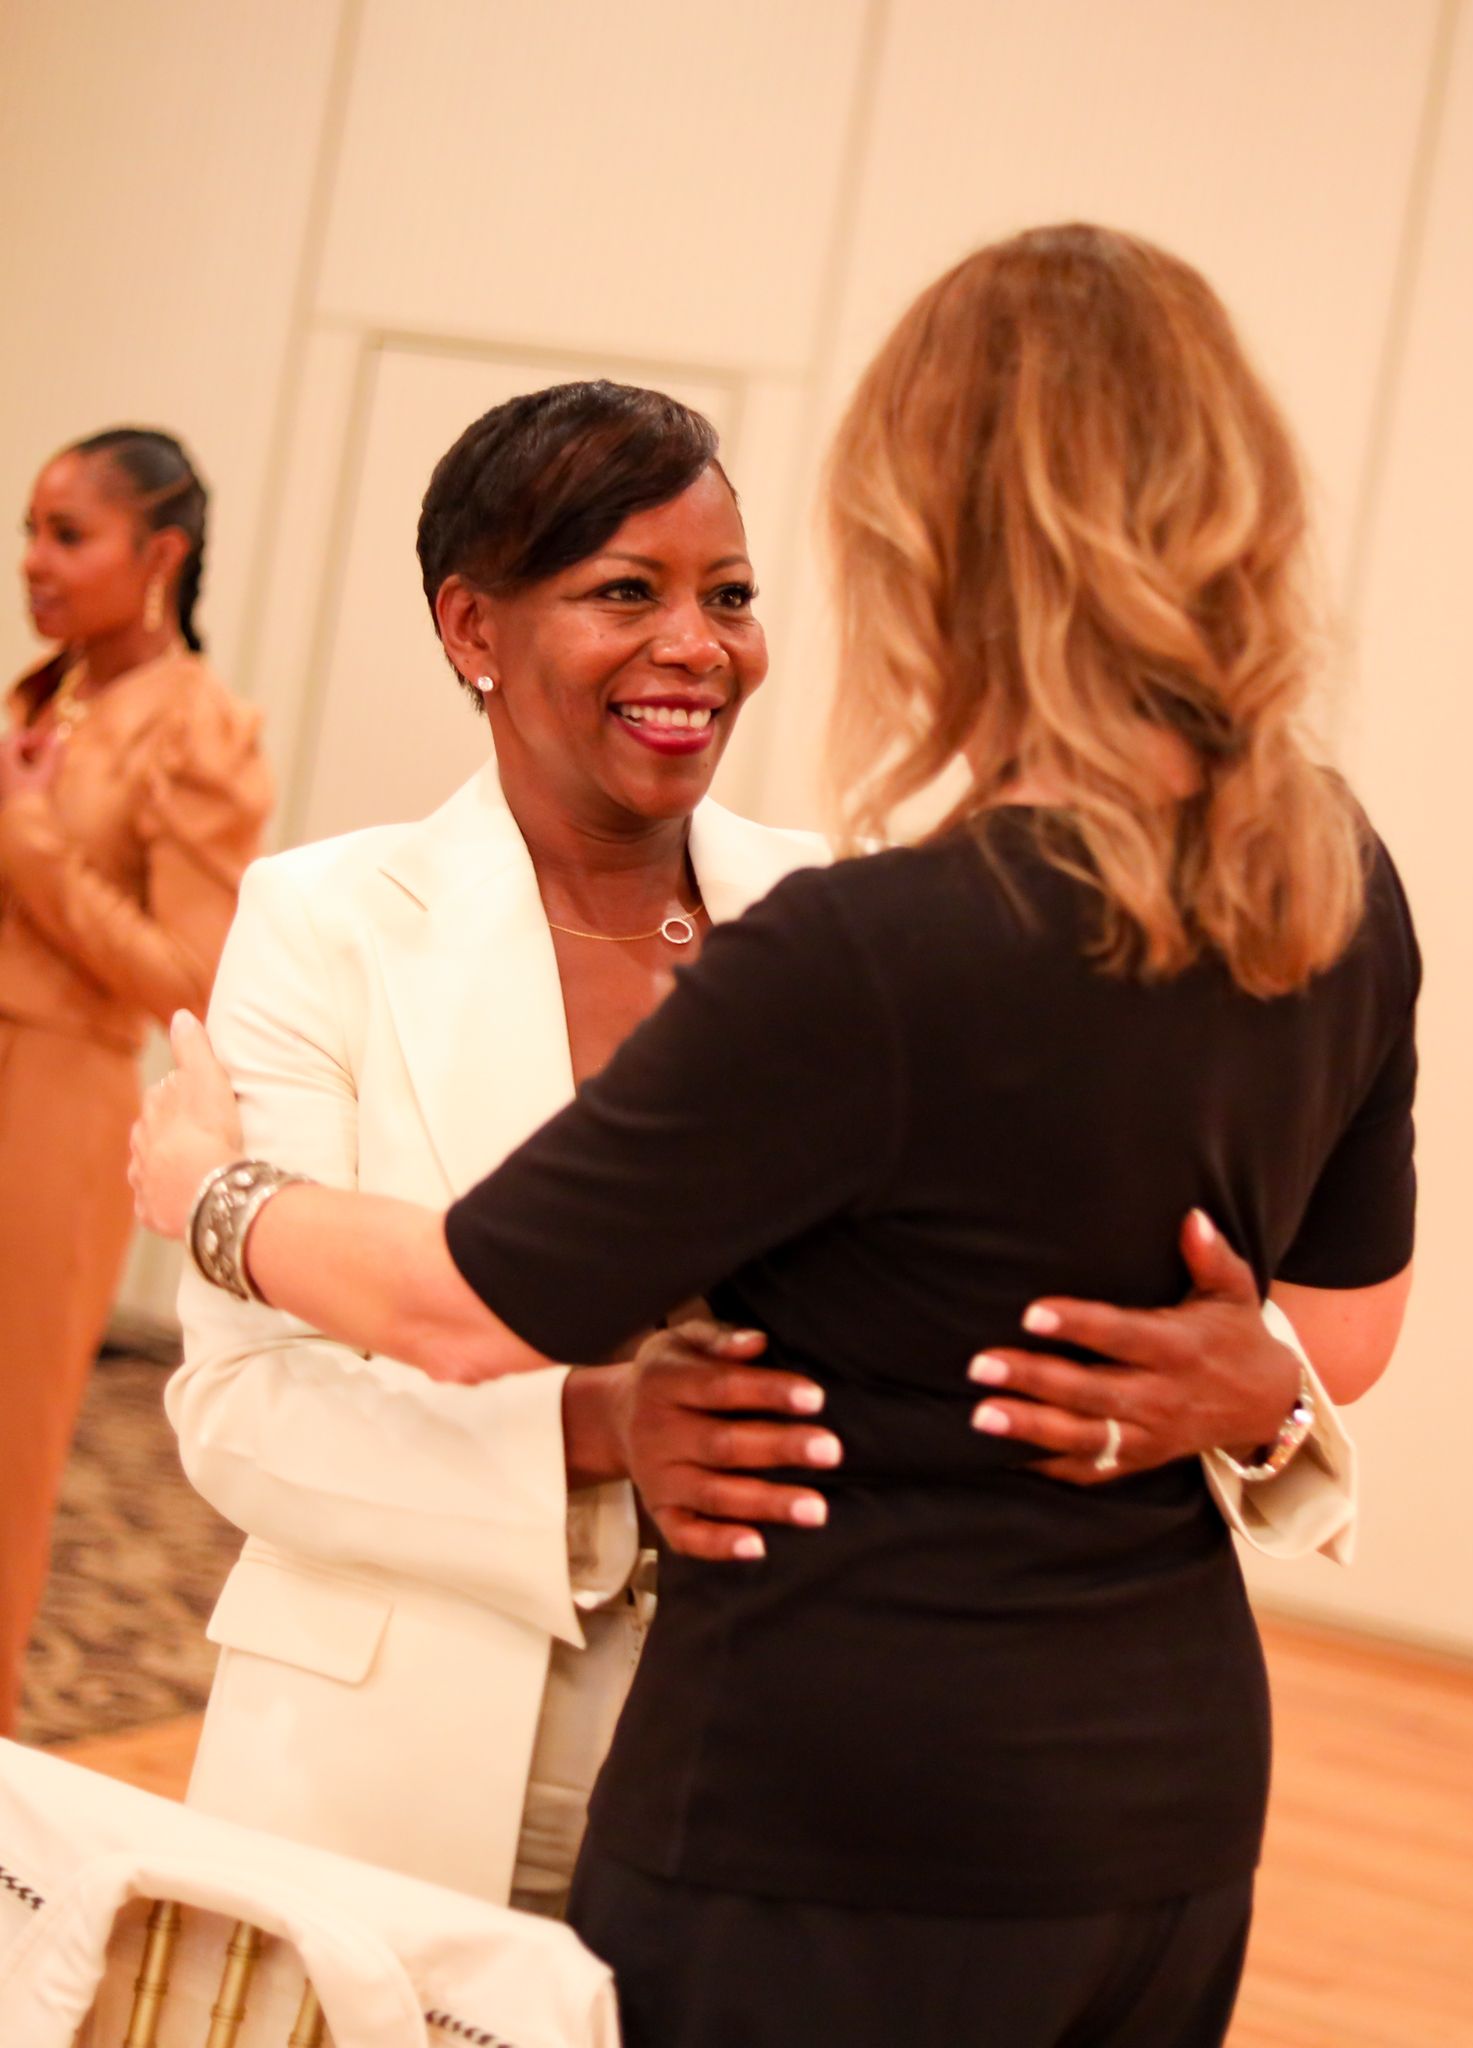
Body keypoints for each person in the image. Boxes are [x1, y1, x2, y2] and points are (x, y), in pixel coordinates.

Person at [154, 380, 1350, 1922]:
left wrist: (1267, 1400)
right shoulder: (322, 925)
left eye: (729, 595)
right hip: (388, 1765)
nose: (697, 648)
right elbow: (242, 1412)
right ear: (472, 631)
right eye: (623, 594)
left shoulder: (845, 917)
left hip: (774, 1786)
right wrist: (599, 1431)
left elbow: (1029, 1315)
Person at [0, 427, 271, 1735]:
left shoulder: (202, 732)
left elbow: (187, 976)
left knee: (4, 1447)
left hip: (50, 1101)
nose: (34, 564)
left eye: (68, 535)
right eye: (30, 532)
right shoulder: (43, 695)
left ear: (158, 553)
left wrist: (31, 840)